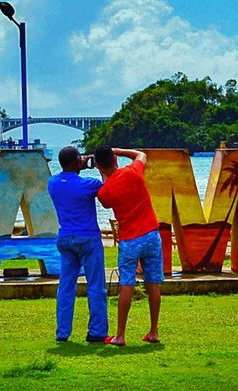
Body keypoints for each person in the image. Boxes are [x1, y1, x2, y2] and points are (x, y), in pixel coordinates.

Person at [94, 145, 162, 346]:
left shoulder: (104, 191)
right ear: (115, 159)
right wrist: (119, 150)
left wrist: (104, 173)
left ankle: (120, 335)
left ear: (98, 165)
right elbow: (142, 155)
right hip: (151, 233)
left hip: (129, 239)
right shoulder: (133, 170)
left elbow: (107, 198)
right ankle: (154, 331)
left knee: (127, 283)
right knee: (153, 283)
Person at [47, 145, 107, 343]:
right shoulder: (88, 184)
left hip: (65, 237)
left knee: (66, 287)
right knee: (96, 286)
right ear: (76, 161)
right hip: (88, 238)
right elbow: (108, 188)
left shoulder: (52, 183)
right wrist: (97, 166)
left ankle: (62, 332)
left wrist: (79, 165)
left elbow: (67, 179)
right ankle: (97, 331)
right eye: (80, 158)